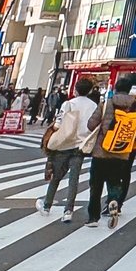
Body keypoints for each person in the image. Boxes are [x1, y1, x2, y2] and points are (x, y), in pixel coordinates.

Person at [88, 76, 136, 227]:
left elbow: (91, 124)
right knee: (115, 181)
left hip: (102, 150)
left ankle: (93, 217)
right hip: (122, 151)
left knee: (96, 184)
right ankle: (113, 200)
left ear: (115, 88)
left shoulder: (106, 103)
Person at [41, 78, 98, 223]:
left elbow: (58, 123)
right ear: (90, 90)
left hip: (64, 144)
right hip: (81, 145)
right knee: (74, 179)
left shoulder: (69, 104)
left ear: (76, 90)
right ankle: (68, 210)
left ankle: (47, 205)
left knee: (56, 176)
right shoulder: (94, 106)